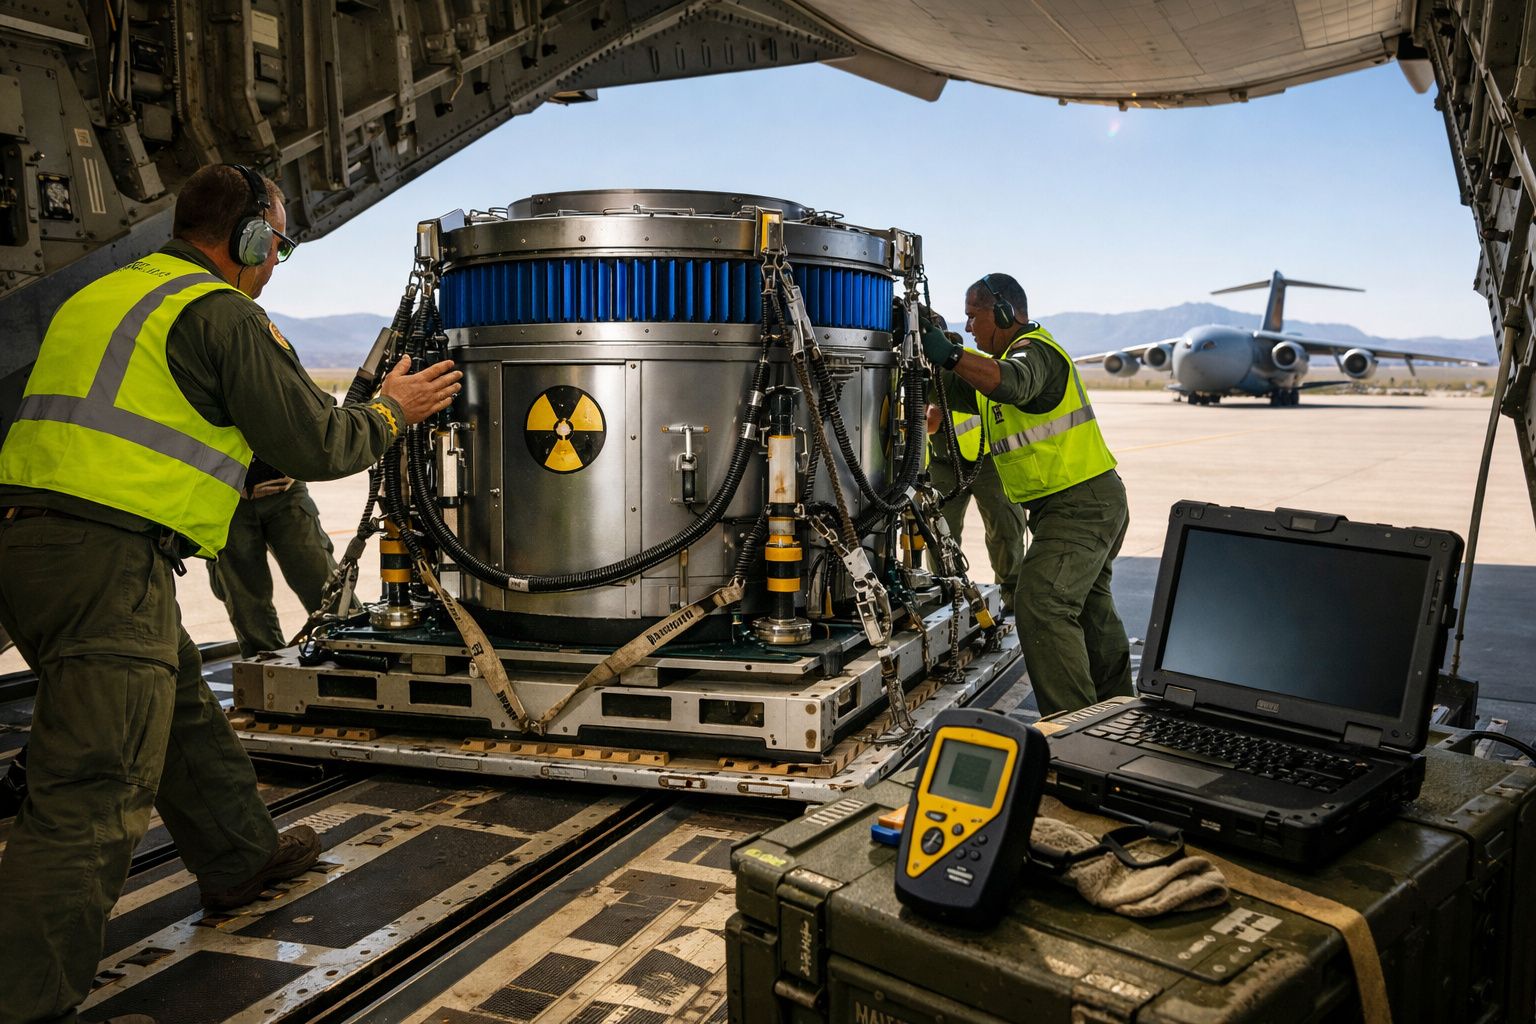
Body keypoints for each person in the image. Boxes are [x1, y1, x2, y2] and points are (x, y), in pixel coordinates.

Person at [0, 163, 461, 1024]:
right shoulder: (219, 312)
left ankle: (240, 857)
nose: (277, 260)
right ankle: (25, 1001)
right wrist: (393, 409)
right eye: (277, 243)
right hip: (106, 558)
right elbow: (318, 445)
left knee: (177, 705)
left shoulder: (105, 296)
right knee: (94, 787)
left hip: (34, 548)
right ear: (250, 239)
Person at [920, 273, 1133, 716]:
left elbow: (1014, 382)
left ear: (1003, 313)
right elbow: (946, 387)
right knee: (1091, 611)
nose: (969, 327)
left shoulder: (1036, 353)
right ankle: (1117, 714)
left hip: (1081, 504)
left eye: (973, 317)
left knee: (1041, 604)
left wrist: (953, 353)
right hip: (1074, 505)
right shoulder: (995, 370)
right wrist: (923, 349)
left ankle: (1070, 730)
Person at [924, 339, 1027, 612]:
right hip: (943, 461)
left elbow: (932, 419)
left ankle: (1012, 598)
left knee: (1005, 528)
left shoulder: (972, 365)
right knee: (941, 534)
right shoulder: (917, 371)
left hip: (987, 459)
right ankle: (947, 594)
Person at [209, 460, 351, 659]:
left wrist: (300, 464)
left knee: (321, 581)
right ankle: (264, 667)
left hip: (286, 491)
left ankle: (356, 650)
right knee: (245, 603)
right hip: (226, 497)